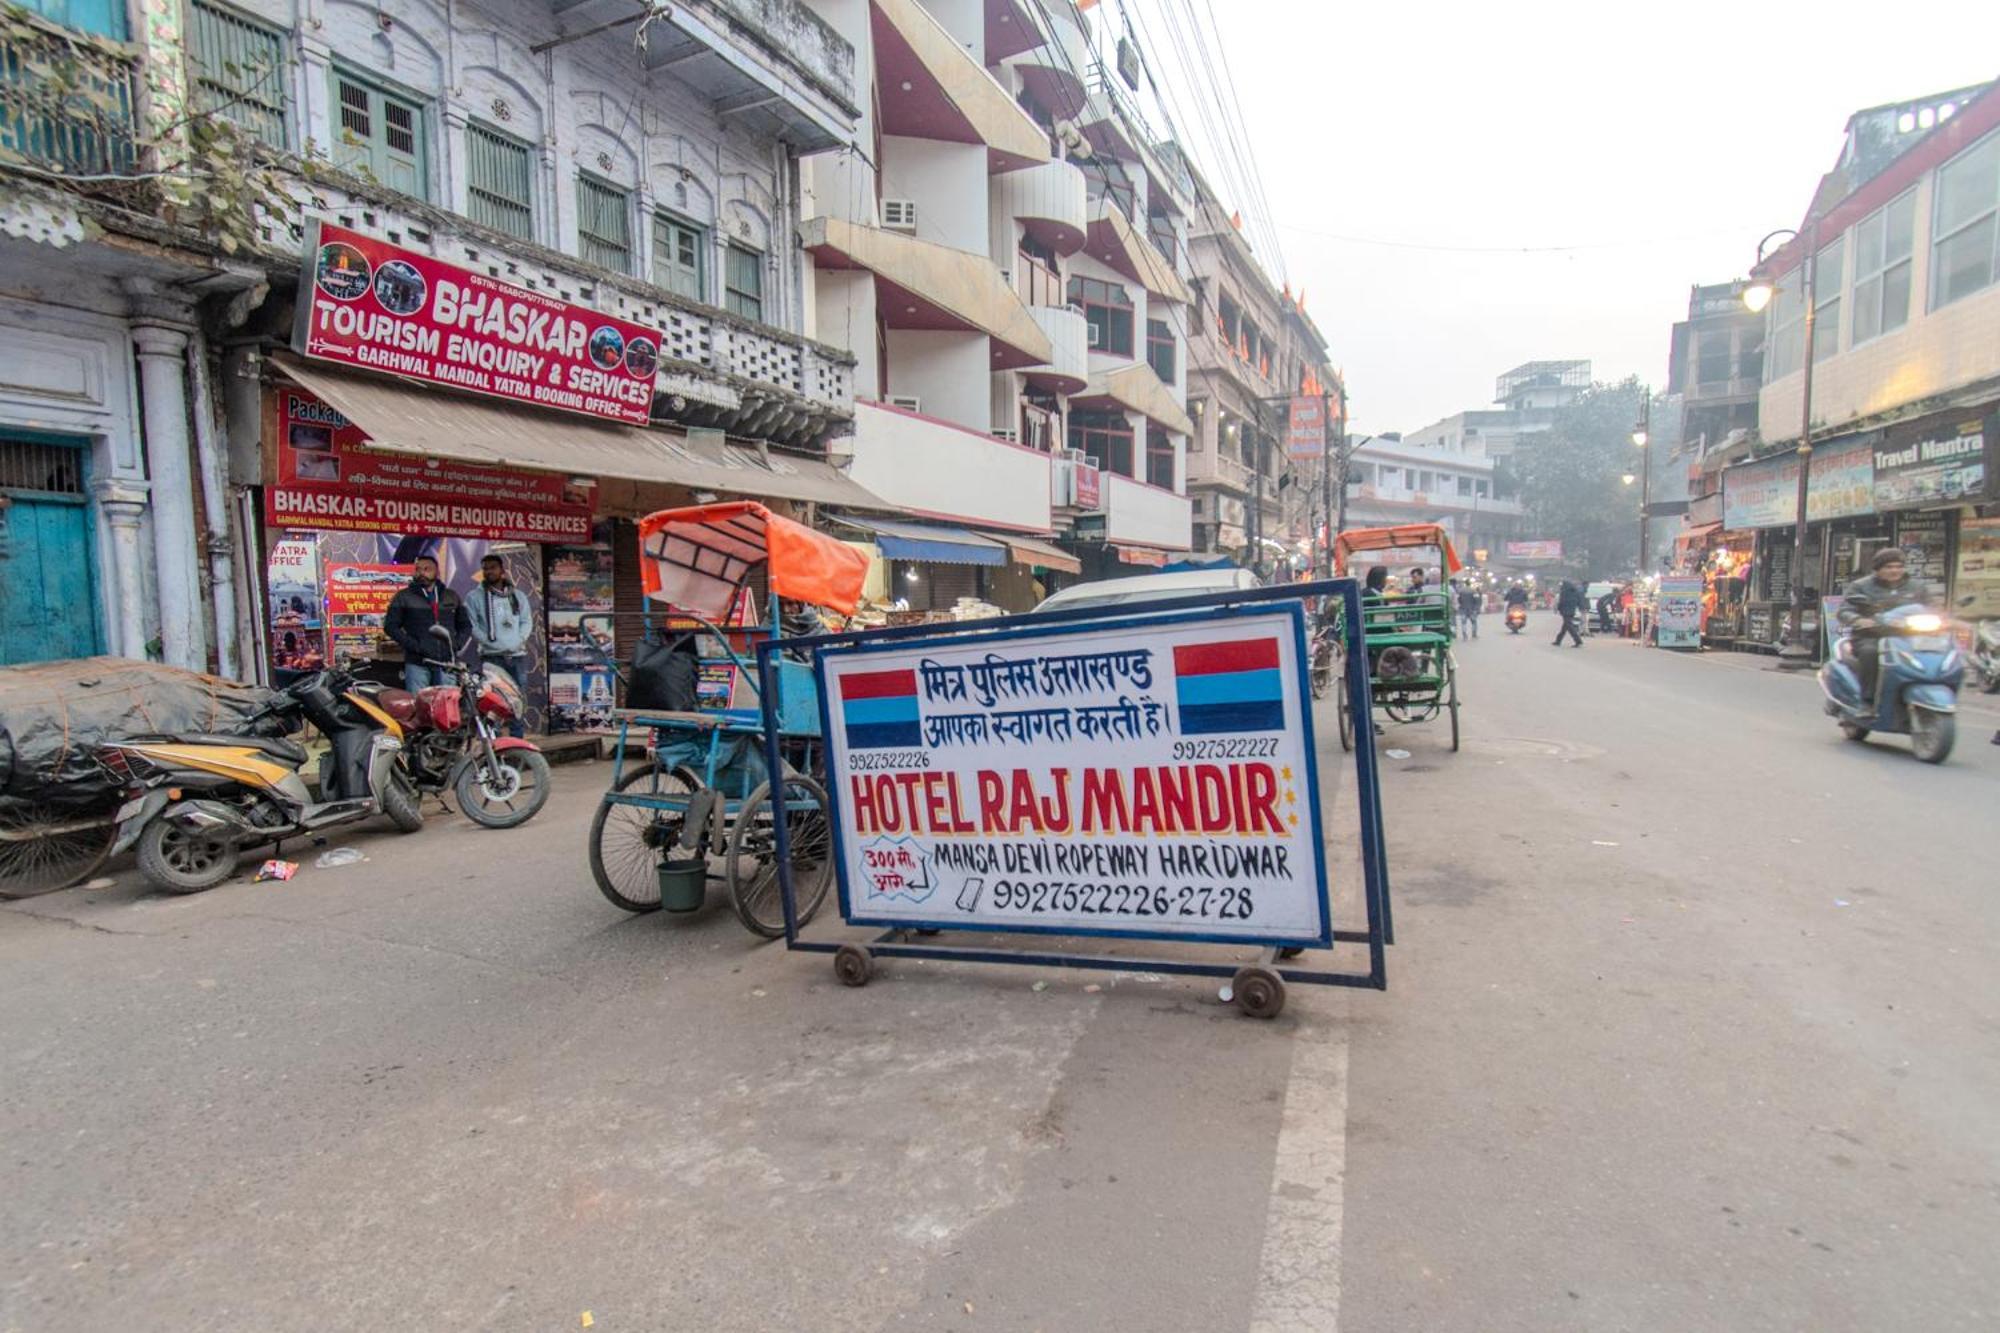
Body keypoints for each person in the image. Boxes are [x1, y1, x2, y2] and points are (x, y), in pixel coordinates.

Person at [1837, 548, 1932, 706]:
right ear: (1878, 569)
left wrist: (1943, 619)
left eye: (1898, 566)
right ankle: (1867, 699)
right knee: (1870, 652)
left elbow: (1931, 608)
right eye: (1889, 567)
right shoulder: (1860, 586)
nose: (1894, 570)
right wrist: (1859, 620)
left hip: (1910, 636)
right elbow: (1844, 610)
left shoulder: (1917, 587)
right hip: (1871, 635)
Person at [384, 554, 472, 692]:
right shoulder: (404, 597)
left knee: (447, 705)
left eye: (427, 569)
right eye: (418, 569)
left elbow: (466, 625)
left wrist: (456, 644)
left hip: (446, 663)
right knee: (417, 705)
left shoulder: (451, 596)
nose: (421, 573)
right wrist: (415, 646)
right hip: (417, 663)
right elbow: (390, 626)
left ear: (437, 572)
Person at [466, 553, 532, 737]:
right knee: (492, 700)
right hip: (491, 657)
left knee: (516, 700)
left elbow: (526, 622)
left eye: (492, 567)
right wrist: (489, 643)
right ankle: (493, 743)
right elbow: (472, 626)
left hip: (516, 656)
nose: (488, 572)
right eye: (485, 568)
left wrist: (518, 640)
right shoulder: (474, 597)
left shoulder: (517, 596)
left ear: (502, 570)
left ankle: (517, 740)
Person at [1553, 579, 1585, 647]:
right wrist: (1581, 608)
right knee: (1565, 627)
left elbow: (1561, 602)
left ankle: (1578, 640)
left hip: (1565, 611)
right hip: (1572, 611)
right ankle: (1558, 640)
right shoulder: (1576, 592)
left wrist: (1558, 609)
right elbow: (1580, 601)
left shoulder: (1564, 593)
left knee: (1570, 627)